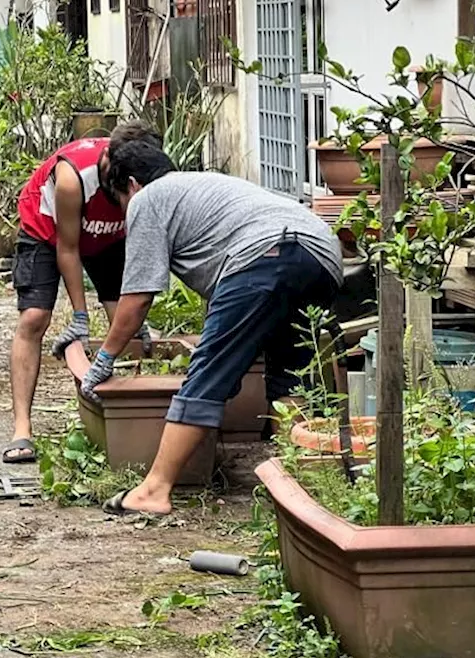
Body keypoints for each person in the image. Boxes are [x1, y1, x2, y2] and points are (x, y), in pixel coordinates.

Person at [84, 141, 343, 516]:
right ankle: (307, 488)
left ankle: (154, 489)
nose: (125, 213)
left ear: (132, 184)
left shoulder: (148, 199)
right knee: (291, 374)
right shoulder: (204, 186)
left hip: (266, 255)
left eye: (120, 201)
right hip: (321, 255)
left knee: (208, 372)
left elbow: (137, 297)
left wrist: (104, 359)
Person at [3, 122, 160, 465]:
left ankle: (134, 425)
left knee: (126, 322)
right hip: (48, 233)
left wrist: (136, 308)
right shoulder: (74, 177)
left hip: (107, 236)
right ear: (108, 162)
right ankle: (22, 430)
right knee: (34, 318)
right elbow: (69, 248)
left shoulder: (144, 168)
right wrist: (79, 317)